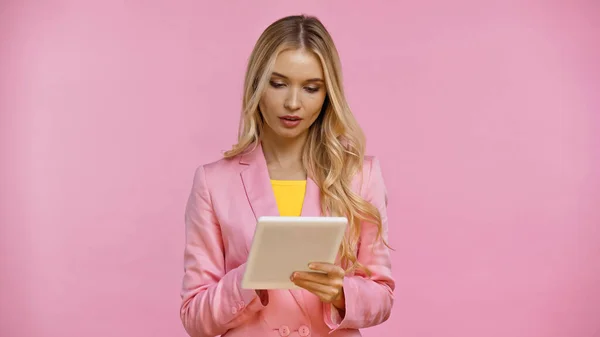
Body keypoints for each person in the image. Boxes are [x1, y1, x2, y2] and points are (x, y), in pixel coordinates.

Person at [179, 14, 394, 337]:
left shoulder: (358, 176)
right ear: (256, 84)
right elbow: (194, 317)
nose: (293, 103)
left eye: (311, 88)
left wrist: (341, 293)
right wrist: (246, 279)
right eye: (278, 84)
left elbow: (383, 296)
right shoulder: (213, 183)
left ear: (327, 95)